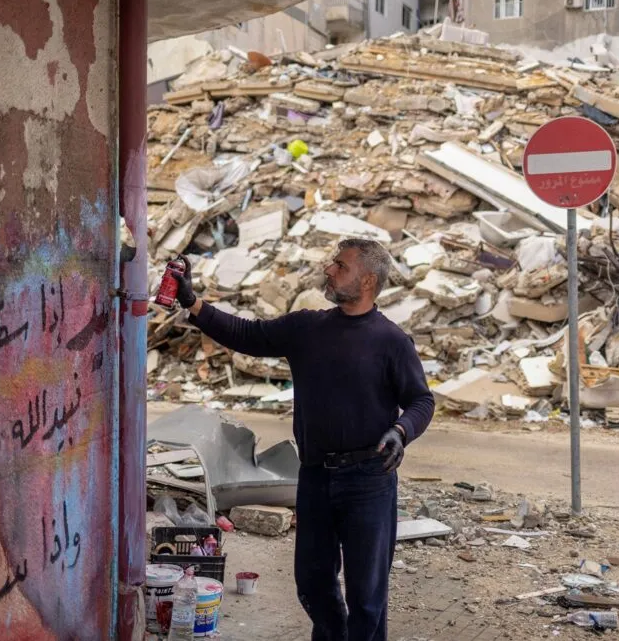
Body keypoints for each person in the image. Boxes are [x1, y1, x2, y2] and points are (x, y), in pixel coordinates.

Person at [170, 238, 435, 641]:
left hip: (369, 478)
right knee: (312, 582)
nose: (329, 270)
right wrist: (192, 302)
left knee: (367, 595)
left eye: (340, 266)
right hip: (314, 476)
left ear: (367, 281)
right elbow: (246, 334)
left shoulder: (391, 342)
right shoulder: (308, 328)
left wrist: (402, 431)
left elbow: (421, 400)